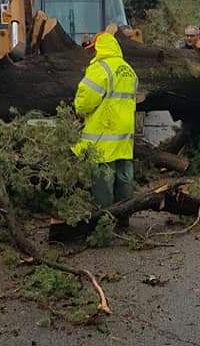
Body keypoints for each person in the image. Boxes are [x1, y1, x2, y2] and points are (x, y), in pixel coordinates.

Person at [72, 33, 138, 225]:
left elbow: (85, 102)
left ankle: (104, 221)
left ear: (100, 48)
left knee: (103, 179)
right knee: (124, 176)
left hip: (103, 132)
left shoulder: (100, 69)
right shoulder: (128, 69)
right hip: (124, 132)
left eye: (93, 48)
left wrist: (78, 110)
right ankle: (123, 218)